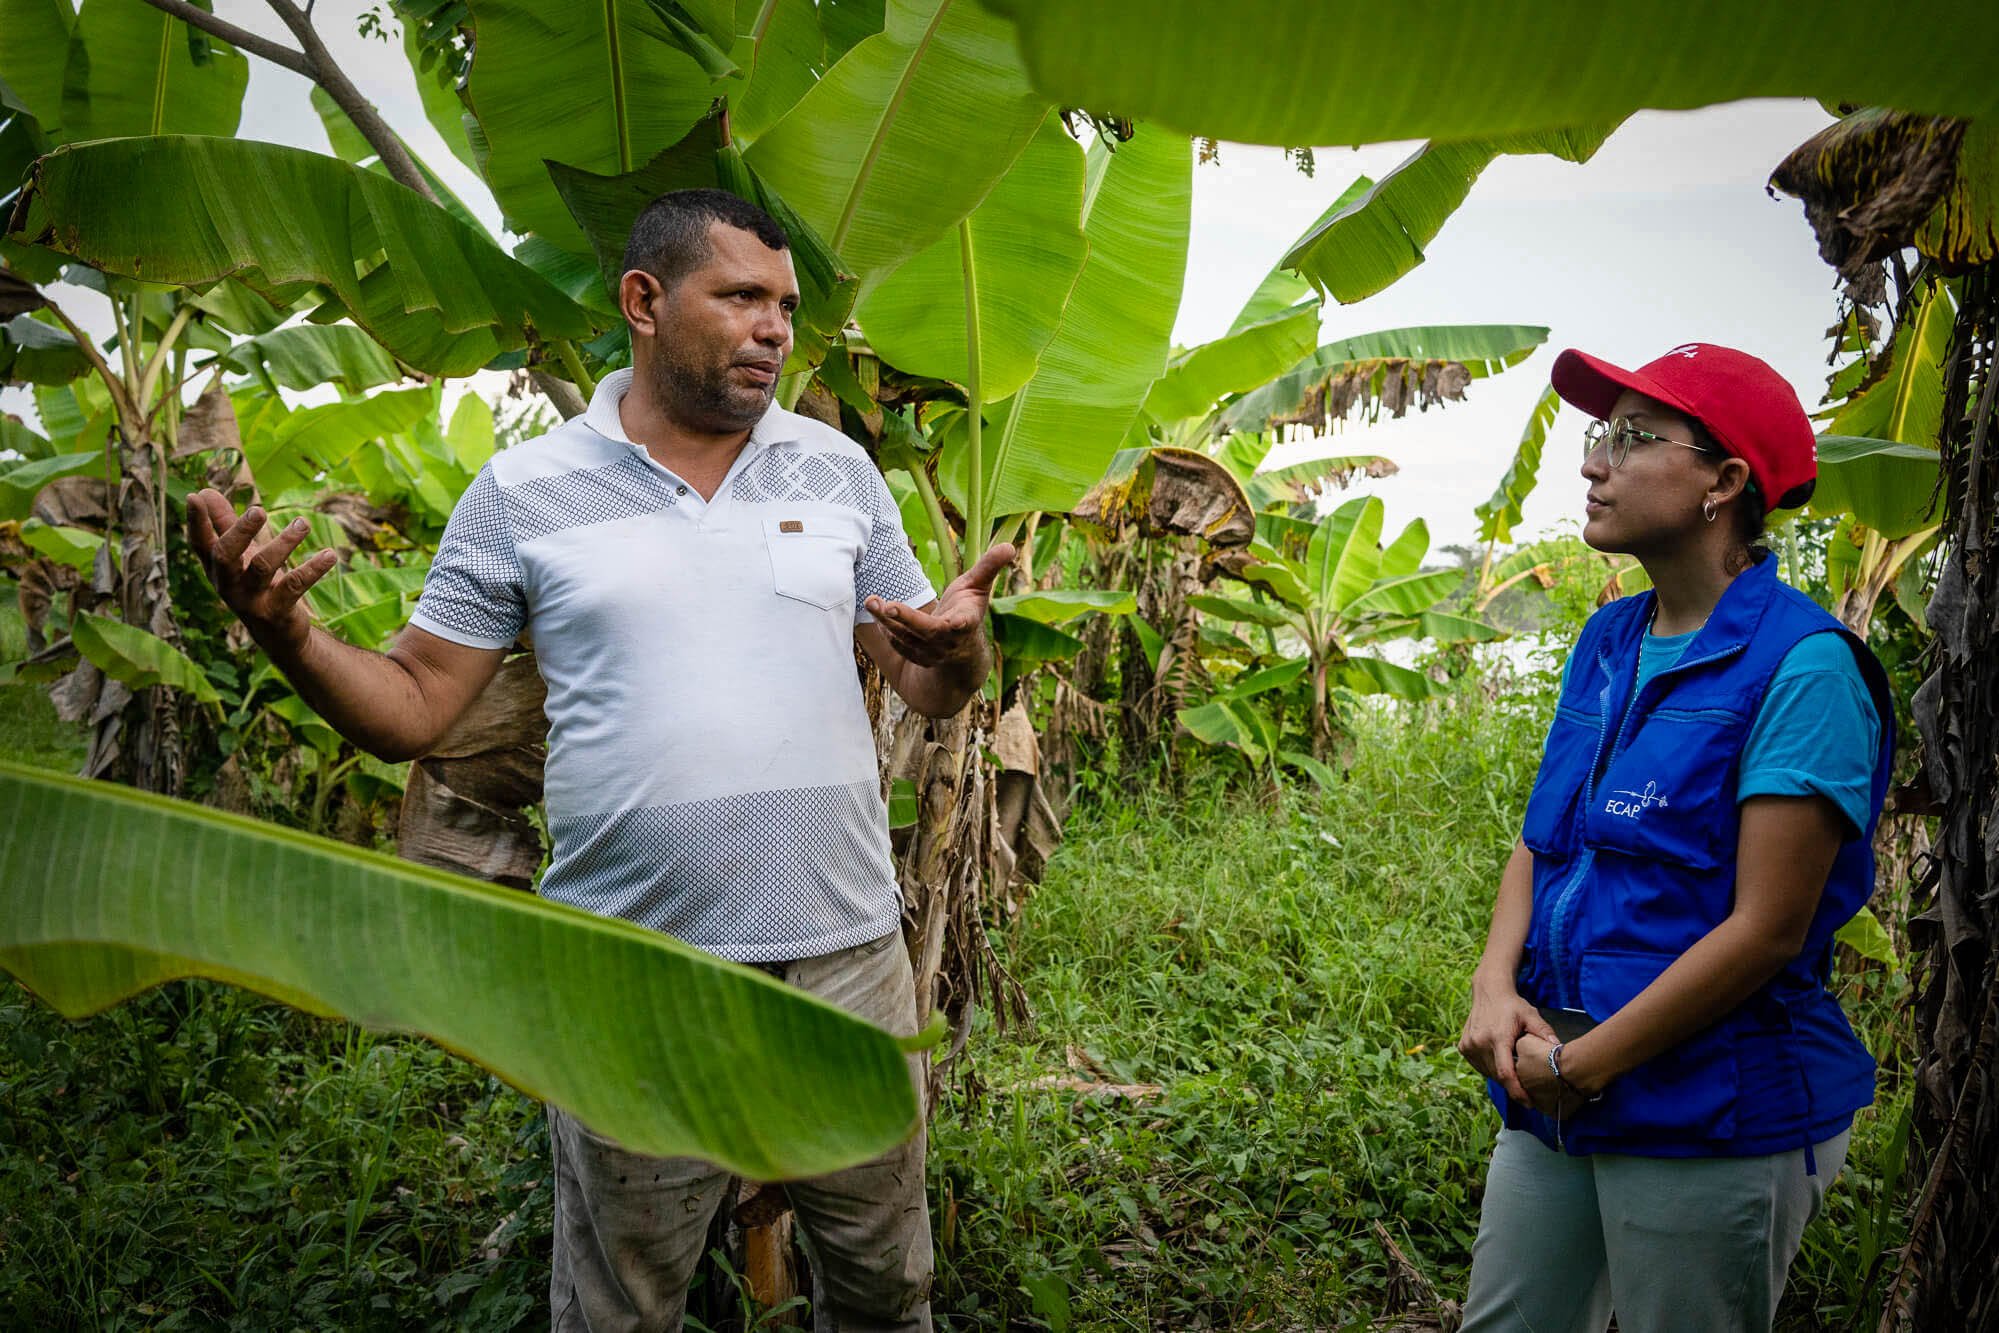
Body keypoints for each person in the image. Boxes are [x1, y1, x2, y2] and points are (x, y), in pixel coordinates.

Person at [188, 188, 1010, 1333]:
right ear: (643, 300)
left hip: (847, 962)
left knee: (886, 1292)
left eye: (783, 303)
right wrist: (290, 635)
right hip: (631, 980)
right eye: (740, 297)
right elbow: (416, 705)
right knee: (621, 1306)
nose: (774, 326)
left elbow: (926, 679)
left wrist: (962, 651)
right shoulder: (521, 494)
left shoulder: (836, 472)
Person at [1455, 343, 1895, 1333]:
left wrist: (1591, 1063)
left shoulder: (1805, 670)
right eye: (1596, 434)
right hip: (1555, 1069)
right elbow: (1544, 840)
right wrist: (1494, 989)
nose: (1592, 462)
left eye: (1631, 437)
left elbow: (1766, 930)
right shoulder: (1608, 641)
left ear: (1724, 483)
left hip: (1709, 1101)